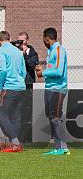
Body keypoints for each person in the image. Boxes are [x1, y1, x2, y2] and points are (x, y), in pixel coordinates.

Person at [35, 28, 70, 156]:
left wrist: (43, 72)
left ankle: (61, 148)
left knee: (56, 118)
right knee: (53, 117)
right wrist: (42, 69)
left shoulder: (59, 50)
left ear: (47, 38)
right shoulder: (51, 51)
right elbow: (53, 69)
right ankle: (60, 147)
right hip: (50, 87)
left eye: (43, 39)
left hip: (58, 88)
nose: (43, 41)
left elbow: (59, 71)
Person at [0, 31, 27, 153]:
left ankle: (15, 143)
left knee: (2, 115)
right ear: (9, 39)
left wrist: (0, 87)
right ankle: (16, 142)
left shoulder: (1, 50)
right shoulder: (18, 52)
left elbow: (2, 71)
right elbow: (23, 72)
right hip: (21, 87)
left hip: (10, 87)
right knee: (15, 116)